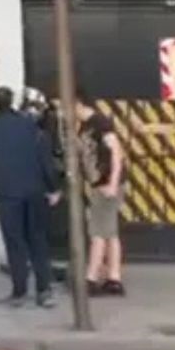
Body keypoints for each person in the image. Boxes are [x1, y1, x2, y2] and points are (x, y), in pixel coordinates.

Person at [0, 87, 61, 308]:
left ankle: (19, 292)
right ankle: (44, 291)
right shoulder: (32, 127)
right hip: (35, 192)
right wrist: (54, 188)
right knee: (38, 240)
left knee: (15, 242)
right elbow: (46, 160)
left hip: (8, 195)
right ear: (11, 102)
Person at [76, 90, 127, 297]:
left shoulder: (100, 123)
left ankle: (91, 278)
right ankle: (114, 278)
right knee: (109, 232)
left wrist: (113, 183)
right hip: (100, 184)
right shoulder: (86, 125)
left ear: (77, 103)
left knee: (98, 232)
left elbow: (117, 151)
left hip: (106, 185)